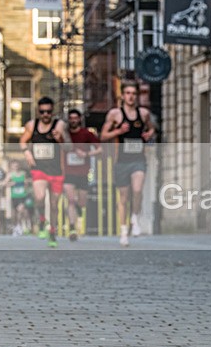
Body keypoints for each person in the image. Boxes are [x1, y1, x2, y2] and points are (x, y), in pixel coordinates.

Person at [101, 81, 154, 247]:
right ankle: (124, 231)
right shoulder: (115, 114)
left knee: (137, 190)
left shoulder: (143, 113)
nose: (131, 96)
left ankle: (135, 218)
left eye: (134, 93)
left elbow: (152, 129)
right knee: (123, 198)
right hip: (121, 161)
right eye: (128, 93)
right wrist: (119, 131)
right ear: (123, 96)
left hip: (138, 159)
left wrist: (148, 134)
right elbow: (103, 136)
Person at [19, 96, 68, 248]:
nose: (45, 114)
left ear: (52, 112)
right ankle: (41, 219)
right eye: (42, 112)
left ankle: (52, 232)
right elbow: (22, 141)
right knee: (39, 197)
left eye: (48, 111)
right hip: (38, 168)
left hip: (55, 170)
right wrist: (27, 152)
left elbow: (68, 147)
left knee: (54, 205)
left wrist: (60, 139)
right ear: (38, 112)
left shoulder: (59, 125)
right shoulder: (31, 125)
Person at [64, 109, 101, 241]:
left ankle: (79, 209)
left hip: (83, 173)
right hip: (68, 173)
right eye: (71, 118)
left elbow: (99, 149)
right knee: (71, 200)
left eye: (75, 118)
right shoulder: (65, 135)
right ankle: (72, 228)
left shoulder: (86, 134)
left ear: (79, 119)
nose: (73, 120)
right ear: (68, 120)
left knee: (81, 201)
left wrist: (86, 154)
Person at [5, 160, 31, 236]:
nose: (16, 167)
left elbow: (28, 182)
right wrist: (11, 184)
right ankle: (16, 226)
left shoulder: (23, 173)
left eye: (17, 165)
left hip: (23, 195)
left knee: (21, 210)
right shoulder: (10, 175)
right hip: (14, 196)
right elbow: (5, 183)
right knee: (15, 213)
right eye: (14, 166)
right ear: (11, 167)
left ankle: (20, 226)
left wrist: (26, 183)